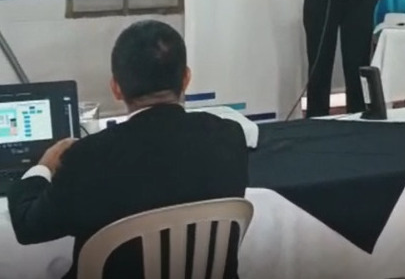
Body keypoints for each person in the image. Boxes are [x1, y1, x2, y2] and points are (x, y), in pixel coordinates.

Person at [8, 20, 248, 279]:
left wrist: (43, 166)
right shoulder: (230, 136)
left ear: (116, 88)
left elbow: (28, 227)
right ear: (186, 78)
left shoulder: (88, 158)